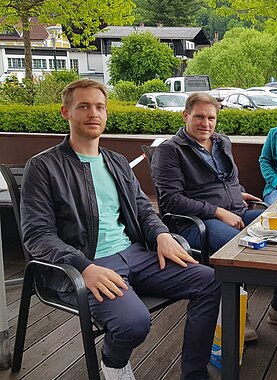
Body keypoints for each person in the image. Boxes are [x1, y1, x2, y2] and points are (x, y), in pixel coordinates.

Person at [20, 79, 220, 380]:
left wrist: (161, 234)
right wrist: (83, 266)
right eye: (83, 106)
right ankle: (113, 364)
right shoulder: (44, 166)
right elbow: (37, 235)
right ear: (66, 113)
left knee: (210, 279)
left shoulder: (115, 162)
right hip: (86, 265)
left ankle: (194, 374)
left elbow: (142, 209)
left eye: (99, 107)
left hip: (135, 255)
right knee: (134, 323)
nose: (93, 113)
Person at [152, 93, 277, 340]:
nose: (205, 123)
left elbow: (228, 180)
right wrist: (217, 211)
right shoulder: (170, 151)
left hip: (236, 211)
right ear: (185, 115)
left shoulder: (221, 142)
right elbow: (170, 201)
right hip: (196, 223)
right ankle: (239, 313)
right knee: (240, 245)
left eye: (211, 117)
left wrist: (240, 193)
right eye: (199, 117)